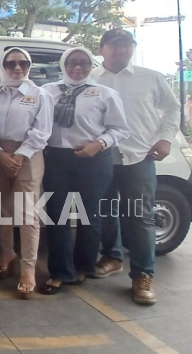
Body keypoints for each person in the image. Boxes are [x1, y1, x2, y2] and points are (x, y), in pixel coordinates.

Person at [92, 29, 179, 305]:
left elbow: (173, 109)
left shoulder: (150, 78)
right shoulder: (91, 79)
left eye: (127, 46)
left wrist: (165, 140)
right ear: (102, 48)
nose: (121, 51)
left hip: (139, 157)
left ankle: (142, 275)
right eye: (114, 46)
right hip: (103, 158)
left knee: (140, 218)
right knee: (104, 211)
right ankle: (112, 257)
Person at [39, 47, 130, 295]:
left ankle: (82, 267)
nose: (77, 68)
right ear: (63, 64)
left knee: (89, 216)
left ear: (91, 65)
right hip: (56, 158)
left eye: (83, 63)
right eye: (72, 63)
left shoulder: (104, 93)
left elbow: (120, 129)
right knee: (57, 216)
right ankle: (59, 272)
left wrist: (97, 145)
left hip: (93, 159)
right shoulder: (48, 91)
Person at [0, 48, 53, 298]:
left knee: (27, 213)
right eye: (11, 63)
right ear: (3, 65)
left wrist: (19, 155)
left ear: (29, 65)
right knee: (1, 209)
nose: (17, 68)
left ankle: (28, 269)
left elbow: (42, 132)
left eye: (22, 63)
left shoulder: (40, 95)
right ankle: (7, 254)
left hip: (29, 154)